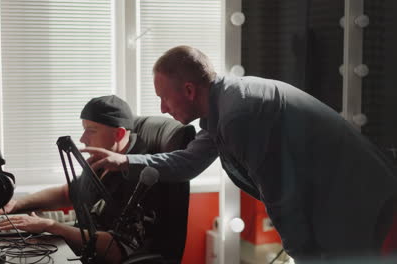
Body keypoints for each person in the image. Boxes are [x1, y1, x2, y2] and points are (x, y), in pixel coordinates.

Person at [83, 45, 397, 261]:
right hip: (346, 205)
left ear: (190, 91)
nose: (162, 108)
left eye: (164, 98)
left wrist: (303, 257)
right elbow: (188, 162)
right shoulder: (223, 108)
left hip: (367, 208)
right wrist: (124, 160)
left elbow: (281, 196)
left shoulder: (239, 114)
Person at [0, 95, 171, 264]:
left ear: (118, 134)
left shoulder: (140, 177)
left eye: (91, 131)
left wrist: (50, 226)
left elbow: (117, 249)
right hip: (84, 249)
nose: (82, 139)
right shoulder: (105, 158)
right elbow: (67, 193)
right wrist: (16, 204)